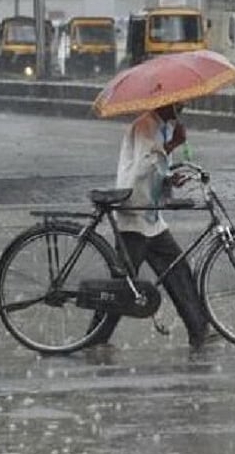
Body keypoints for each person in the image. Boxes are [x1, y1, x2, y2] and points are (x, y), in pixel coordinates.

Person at [87, 102, 212, 349]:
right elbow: (141, 168)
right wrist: (171, 145)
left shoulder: (162, 126)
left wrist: (170, 176)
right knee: (123, 285)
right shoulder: (145, 125)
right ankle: (95, 337)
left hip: (151, 218)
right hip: (134, 215)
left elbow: (157, 166)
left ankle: (199, 329)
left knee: (178, 271)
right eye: (178, 105)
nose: (181, 109)